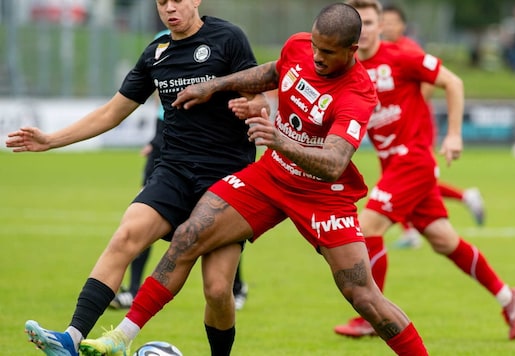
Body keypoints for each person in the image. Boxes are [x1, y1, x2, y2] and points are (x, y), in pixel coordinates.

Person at [79, 3, 429, 355]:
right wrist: (214, 86)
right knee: (188, 236)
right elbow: (272, 72)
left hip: (322, 194)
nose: (317, 57)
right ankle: (120, 338)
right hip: (271, 176)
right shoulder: (299, 47)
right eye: (315, 47)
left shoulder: (358, 92)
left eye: (327, 52)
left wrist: (279, 140)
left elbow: (334, 162)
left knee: (363, 296)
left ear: (352, 51)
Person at [7, 0, 266, 355]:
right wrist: (52, 140)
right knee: (125, 236)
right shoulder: (156, 53)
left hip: (225, 178)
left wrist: (256, 107)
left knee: (218, 289)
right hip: (173, 169)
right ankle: (71, 338)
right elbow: (114, 111)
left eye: (177, 0)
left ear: (196, 0)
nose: (170, 8)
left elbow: (259, 94)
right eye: (162, 2)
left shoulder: (228, 37)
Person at [334, 0, 515, 341]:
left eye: (368, 22)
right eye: (357, 23)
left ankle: (370, 317)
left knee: (366, 228)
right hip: (393, 165)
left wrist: (453, 135)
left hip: (414, 160)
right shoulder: (349, 69)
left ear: (382, 25)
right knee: (443, 240)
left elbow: (453, 82)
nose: (363, 30)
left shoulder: (402, 56)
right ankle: (508, 298)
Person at [109, 29, 249, 312]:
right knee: (141, 215)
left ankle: (236, 285)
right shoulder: (158, 46)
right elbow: (153, 97)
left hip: (205, 146)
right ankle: (133, 290)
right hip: (168, 137)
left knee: (219, 223)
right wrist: (155, 139)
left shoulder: (217, 41)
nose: (170, 7)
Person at [380, 3, 485, 249]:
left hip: (415, 126)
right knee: (399, 179)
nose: (387, 27)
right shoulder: (384, 52)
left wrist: (409, 107)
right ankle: (461, 200)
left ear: (402, 26)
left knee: (409, 177)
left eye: (392, 22)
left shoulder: (407, 49)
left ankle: (414, 230)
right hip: (397, 129)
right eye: (384, 22)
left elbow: (432, 81)